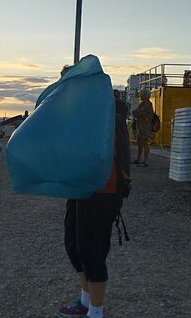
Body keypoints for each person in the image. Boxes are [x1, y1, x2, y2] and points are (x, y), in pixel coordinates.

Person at [59, 77, 131, 318]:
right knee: (73, 246)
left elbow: (91, 151)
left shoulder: (102, 113)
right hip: (79, 189)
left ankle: (96, 313)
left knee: (92, 252)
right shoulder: (79, 112)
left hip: (103, 192)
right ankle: (86, 301)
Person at [131, 89, 154, 167]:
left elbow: (139, 112)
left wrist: (134, 112)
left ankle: (145, 161)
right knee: (140, 143)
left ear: (144, 95)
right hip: (141, 125)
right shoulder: (143, 103)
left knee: (145, 142)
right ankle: (139, 159)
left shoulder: (147, 104)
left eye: (141, 94)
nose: (140, 95)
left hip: (145, 126)